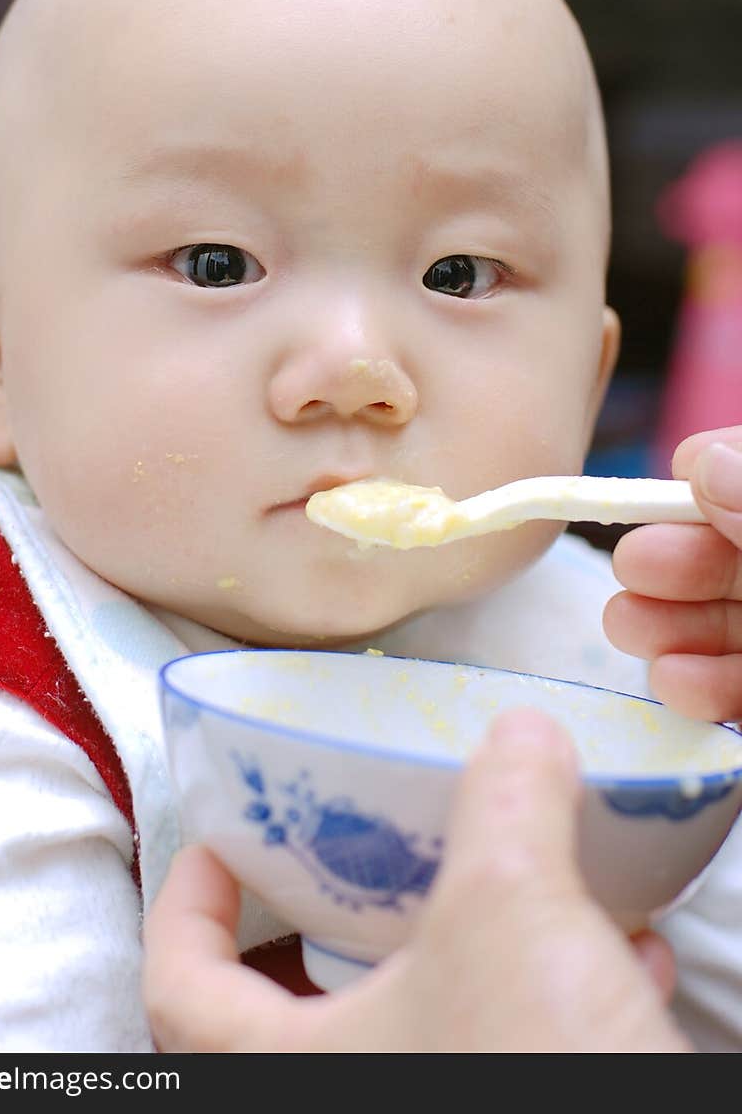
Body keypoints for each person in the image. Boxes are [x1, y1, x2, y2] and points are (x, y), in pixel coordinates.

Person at [0, 0, 739, 1052]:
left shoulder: (608, 643)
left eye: (458, 275)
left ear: (587, 388)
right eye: (216, 262)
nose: (353, 367)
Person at [144, 426, 742, 1054]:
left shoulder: (644, 637)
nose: (358, 371)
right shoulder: (42, 681)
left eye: (471, 316)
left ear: (589, 389)